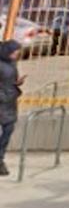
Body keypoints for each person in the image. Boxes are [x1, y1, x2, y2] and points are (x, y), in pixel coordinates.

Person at [0, 40, 26, 177]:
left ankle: (0, 158)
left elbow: (9, 81)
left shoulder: (12, 64)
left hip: (9, 102)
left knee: (8, 131)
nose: (17, 54)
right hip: (3, 101)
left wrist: (17, 83)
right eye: (14, 52)